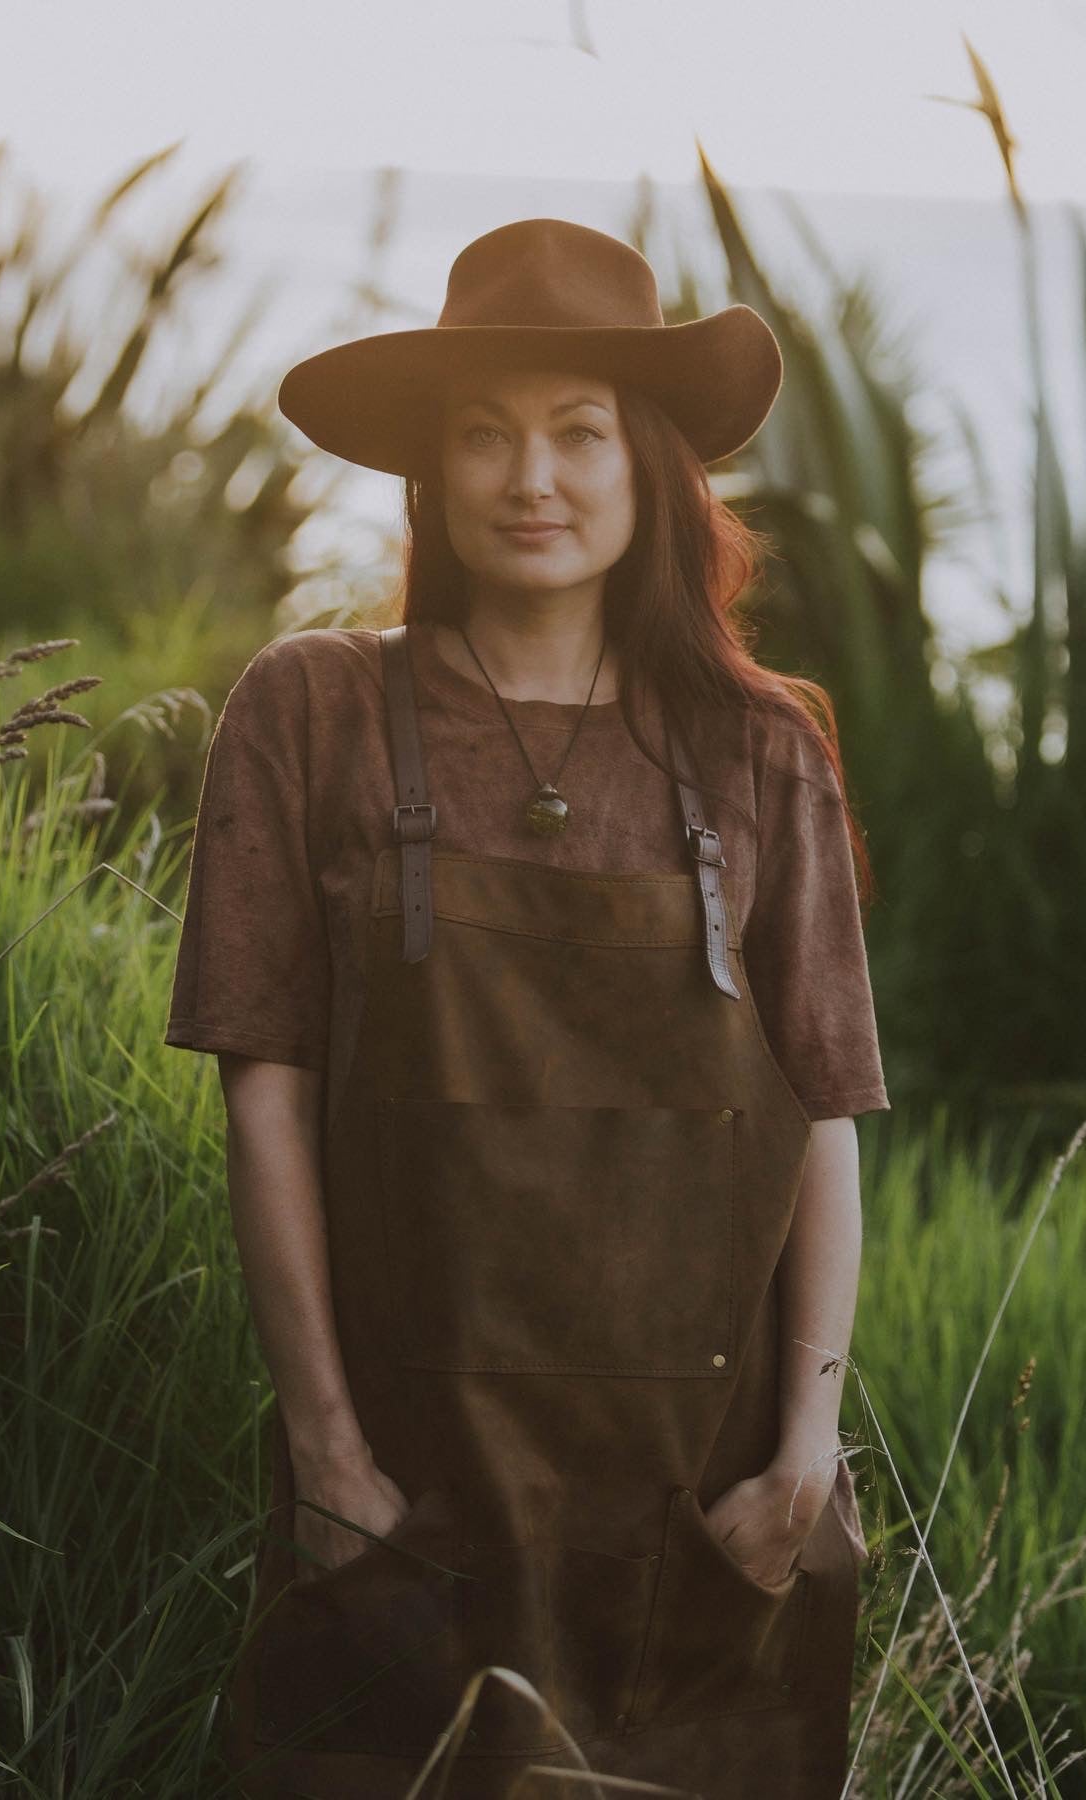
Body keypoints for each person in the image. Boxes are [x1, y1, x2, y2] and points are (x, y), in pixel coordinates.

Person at [164, 217, 890, 1800]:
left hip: (698, 1514)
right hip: (406, 1498)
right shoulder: (314, 711)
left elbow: (823, 1109)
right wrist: (328, 1451)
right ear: (431, 474)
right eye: (481, 436)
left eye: (577, 433)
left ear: (651, 471)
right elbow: (265, 1097)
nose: (530, 478)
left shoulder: (765, 754)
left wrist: (803, 1458)